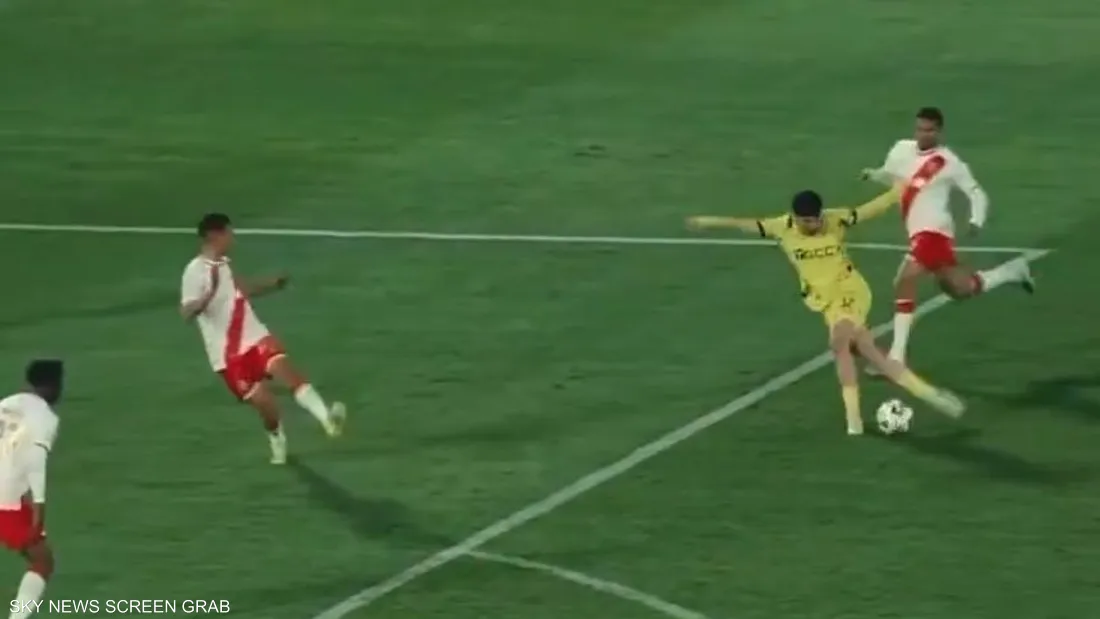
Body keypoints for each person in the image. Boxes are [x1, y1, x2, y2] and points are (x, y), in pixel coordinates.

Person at [687, 186, 964, 434]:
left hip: (850, 292)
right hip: (826, 301)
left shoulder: (835, 219)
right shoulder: (780, 227)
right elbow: (742, 224)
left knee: (841, 342)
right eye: (807, 221)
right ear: (795, 218)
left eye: (816, 219)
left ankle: (854, 421)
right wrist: (706, 221)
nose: (814, 224)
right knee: (862, 350)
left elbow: (868, 210)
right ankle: (928, 394)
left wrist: (899, 190)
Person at [860, 106, 1033, 368]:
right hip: (917, 233)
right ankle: (1011, 272)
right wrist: (874, 174)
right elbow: (894, 180)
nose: (923, 134)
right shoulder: (900, 149)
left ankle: (896, 358)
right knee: (958, 289)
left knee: (904, 280)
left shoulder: (949, 162)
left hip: (935, 232)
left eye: (929, 130)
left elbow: (976, 193)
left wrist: (976, 220)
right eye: (920, 129)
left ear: (939, 131)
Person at [180, 213, 346, 464]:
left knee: (288, 373)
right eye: (228, 233)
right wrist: (207, 296)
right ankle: (276, 437)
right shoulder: (194, 271)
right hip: (227, 356)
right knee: (267, 406)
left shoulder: (223, 264)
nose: (232, 238)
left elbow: (241, 290)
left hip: (254, 336)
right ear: (214, 235)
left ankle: (327, 419)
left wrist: (272, 284)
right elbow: (186, 312)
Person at [0, 360, 63, 618]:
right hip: (5, 500)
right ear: (52, 386)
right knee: (42, 561)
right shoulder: (45, 418)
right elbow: (35, 462)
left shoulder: (6, 404)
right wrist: (39, 511)